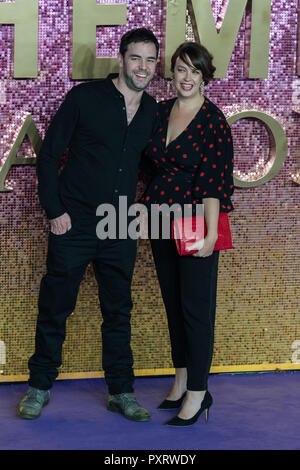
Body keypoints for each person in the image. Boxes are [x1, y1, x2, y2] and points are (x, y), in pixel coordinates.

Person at [17, 28, 159, 421]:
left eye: (150, 60)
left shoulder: (152, 112)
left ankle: (121, 391)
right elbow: (49, 157)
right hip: (74, 222)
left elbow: (151, 167)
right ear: (121, 58)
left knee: (119, 311)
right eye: (136, 58)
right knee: (55, 307)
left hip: (118, 226)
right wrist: (54, 210)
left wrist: (145, 205)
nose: (142, 67)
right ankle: (39, 386)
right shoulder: (84, 98)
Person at [140, 42, 234, 426]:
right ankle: (180, 381)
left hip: (196, 220)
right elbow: (145, 162)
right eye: (181, 69)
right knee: (173, 305)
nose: (187, 78)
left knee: (196, 311)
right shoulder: (161, 111)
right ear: (172, 73)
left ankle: (198, 392)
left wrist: (211, 235)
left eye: (195, 71)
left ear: (204, 77)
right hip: (161, 219)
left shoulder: (213, 121)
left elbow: (214, 183)